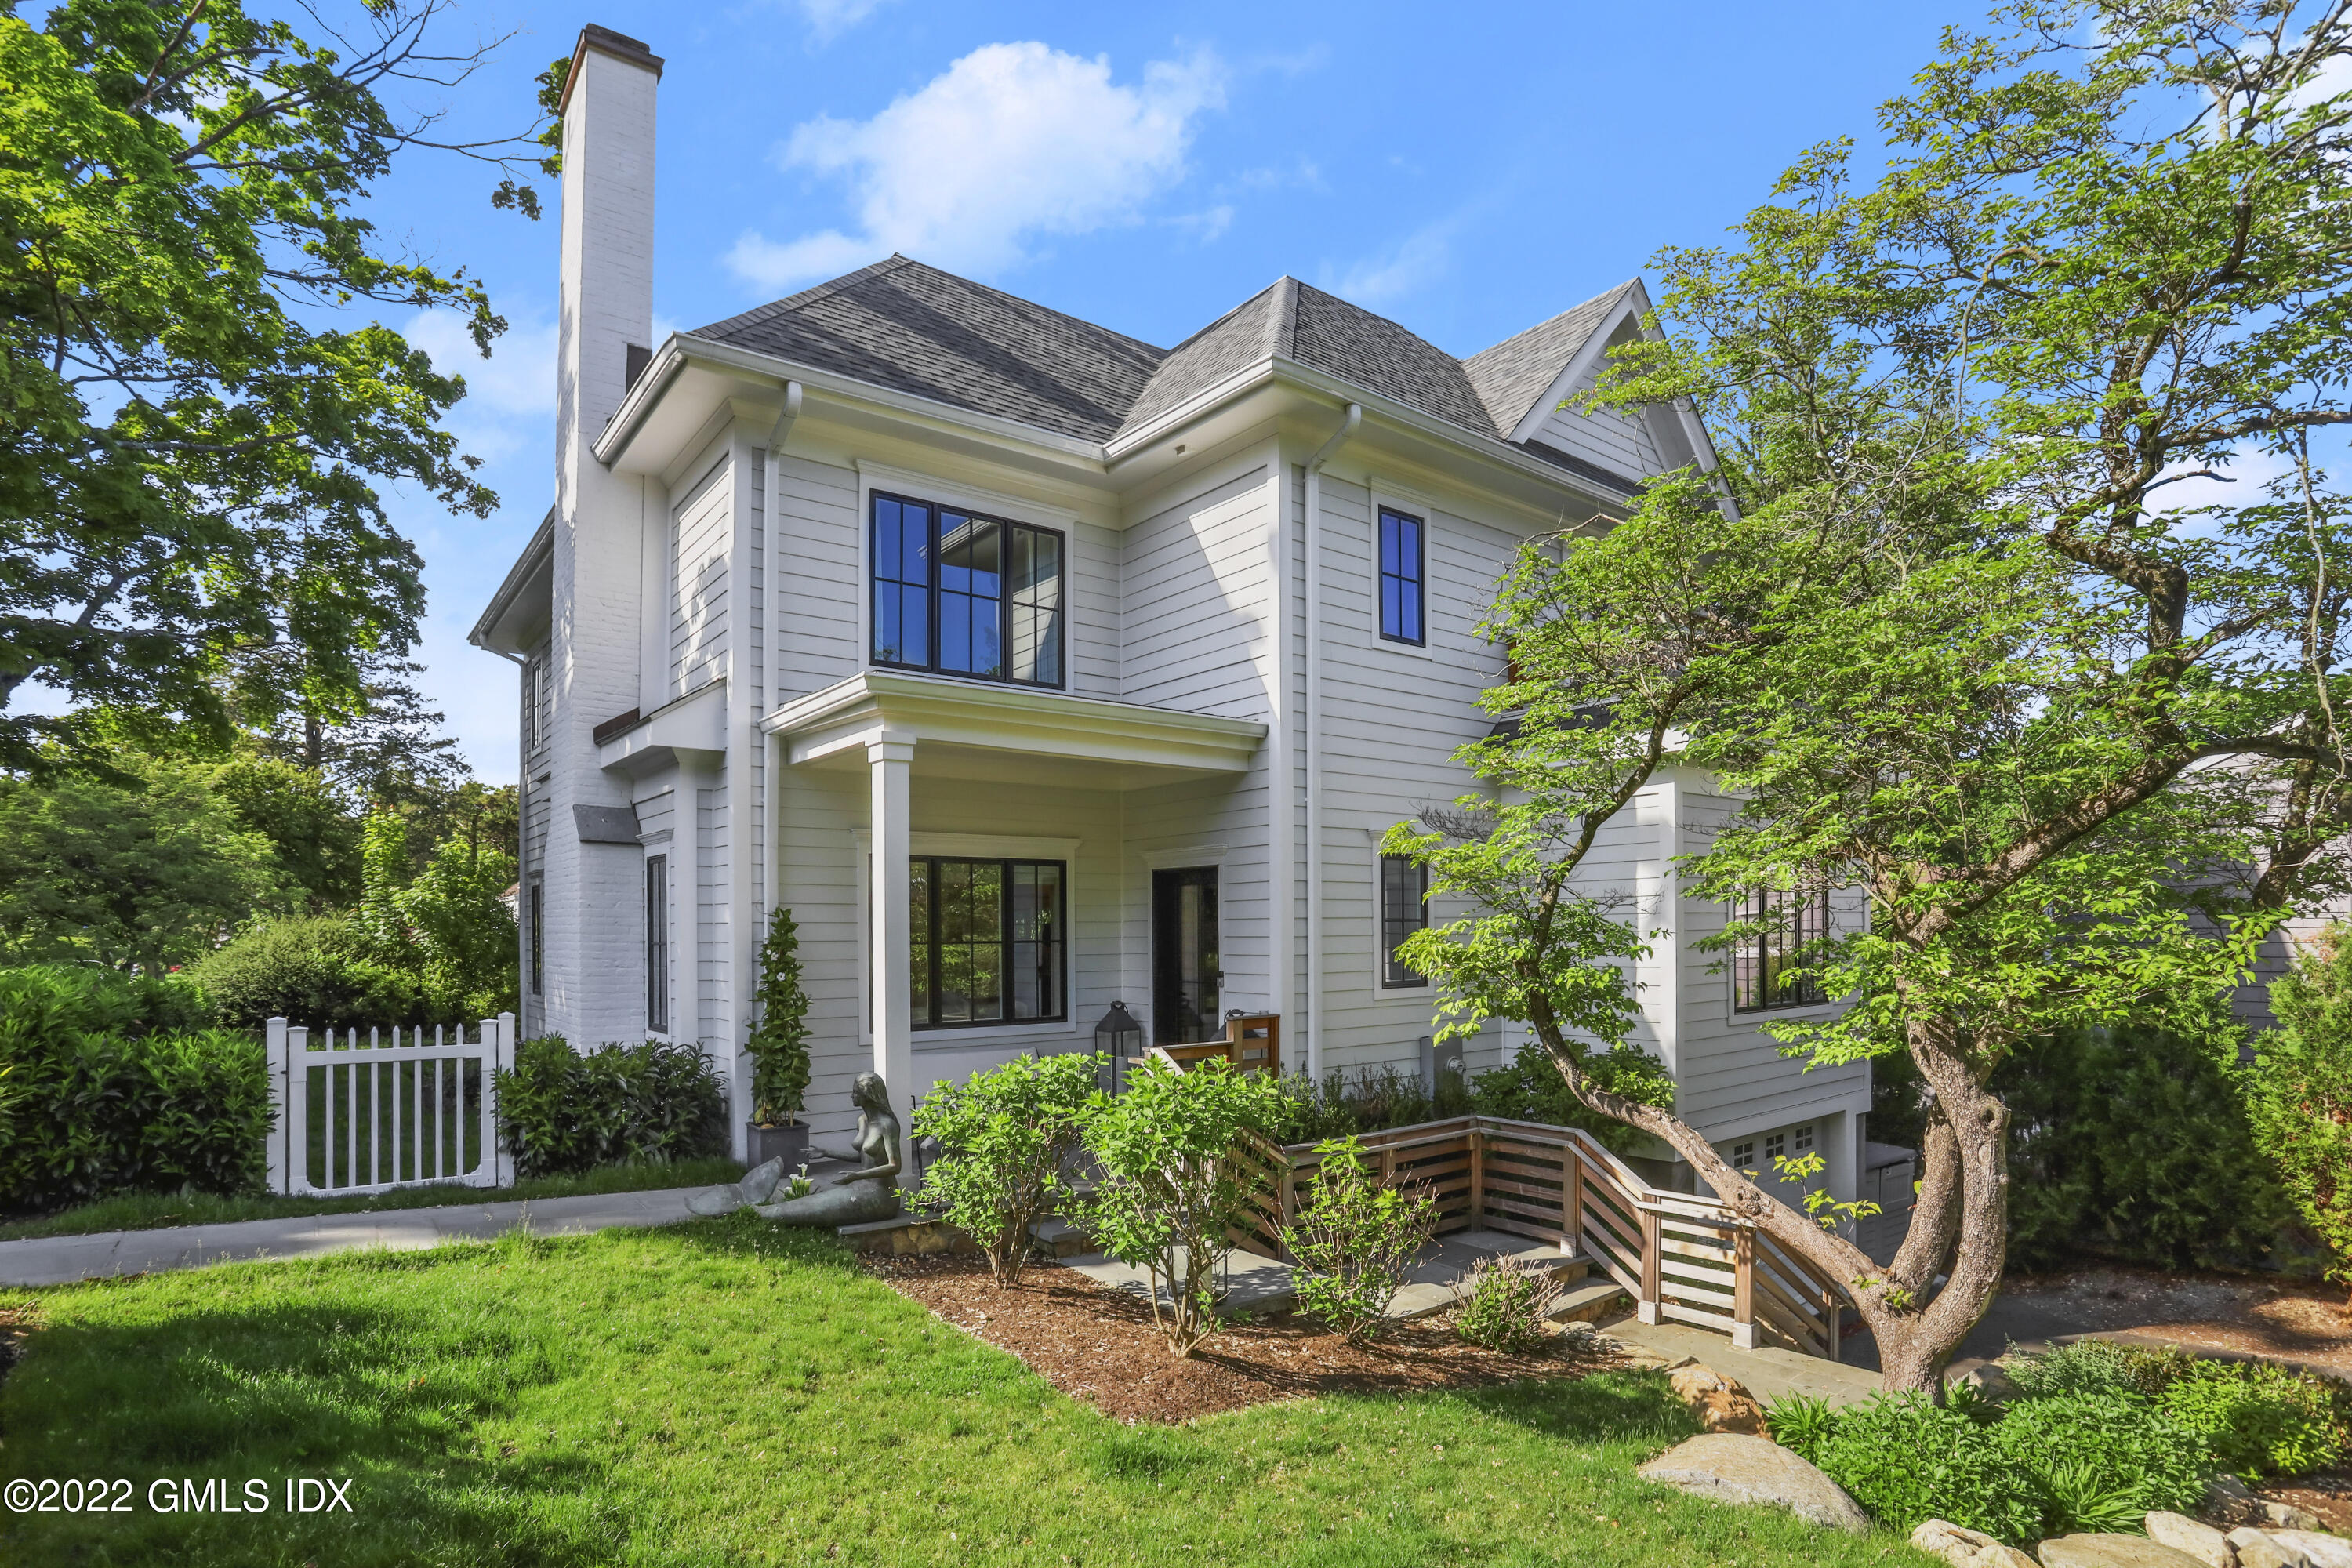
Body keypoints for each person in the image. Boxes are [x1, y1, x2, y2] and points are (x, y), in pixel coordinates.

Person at [685, 1072, 902, 1226]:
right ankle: (744, 1203)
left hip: (881, 1197)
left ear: (868, 1095)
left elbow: (894, 1167)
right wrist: (827, 1153)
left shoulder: (887, 1125)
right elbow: (861, 1157)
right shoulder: (863, 1120)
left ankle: (748, 1210)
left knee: (806, 1208)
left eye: (855, 1092)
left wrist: (857, 1176)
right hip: (858, 1189)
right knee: (810, 1204)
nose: (852, 1096)